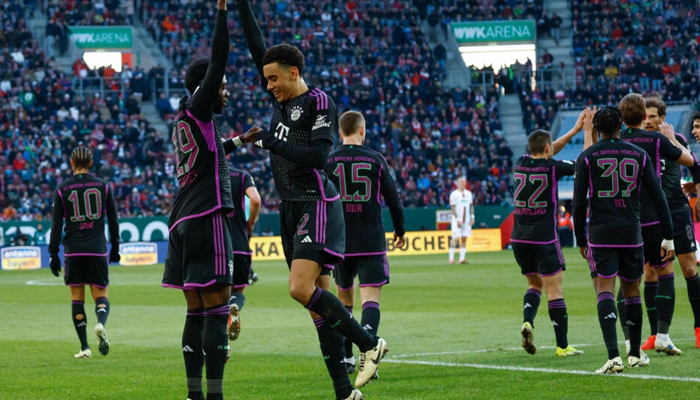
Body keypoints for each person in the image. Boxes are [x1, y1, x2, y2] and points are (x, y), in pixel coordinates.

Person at [236, 1, 388, 398]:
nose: (268, 85)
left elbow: (320, 158)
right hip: (289, 205)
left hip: (315, 201)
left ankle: (370, 344)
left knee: (299, 289)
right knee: (316, 308)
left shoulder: (318, 103)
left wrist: (270, 140)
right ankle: (345, 392)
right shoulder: (281, 100)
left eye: (273, 79)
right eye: (266, 79)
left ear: (294, 72)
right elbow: (257, 45)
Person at [160, 2, 258, 399]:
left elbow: (209, 154)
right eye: (222, 84)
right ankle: (215, 395)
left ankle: (194, 395)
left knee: (195, 311)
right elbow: (219, 57)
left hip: (181, 221)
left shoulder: (186, 120)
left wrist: (239, 141)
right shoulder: (201, 106)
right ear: (206, 87)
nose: (227, 89)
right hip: (208, 216)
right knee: (218, 310)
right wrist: (221, 10)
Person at [573, 106, 675, 374]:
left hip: (601, 232)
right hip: (632, 231)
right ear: (621, 126)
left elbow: (578, 202)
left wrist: (580, 238)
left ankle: (613, 356)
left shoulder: (587, 157)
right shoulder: (639, 154)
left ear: (596, 128)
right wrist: (669, 236)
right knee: (632, 291)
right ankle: (635, 354)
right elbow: (658, 196)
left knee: (605, 290)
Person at [325, 110, 406, 374]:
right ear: (362, 130)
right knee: (370, 299)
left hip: (339, 242)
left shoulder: (328, 160)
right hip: (370, 239)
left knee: (343, 300)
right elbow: (393, 200)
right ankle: (367, 352)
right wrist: (400, 230)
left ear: (340, 133)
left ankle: (347, 358)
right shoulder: (376, 159)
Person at [619, 93, 694, 356]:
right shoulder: (657, 140)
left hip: (625, 220)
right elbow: (690, 162)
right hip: (653, 218)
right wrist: (672, 140)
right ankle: (662, 334)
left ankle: (630, 341)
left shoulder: (615, 142)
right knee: (664, 272)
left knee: (626, 279)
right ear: (643, 117)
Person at [511, 111, 586, 358]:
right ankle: (562, 346)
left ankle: (528, 322)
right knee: (556, 290)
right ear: (547, 148)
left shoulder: (519, 163)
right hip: (544, 238)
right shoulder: (553, 168)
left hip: (519, 239)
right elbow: (582, 164)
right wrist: (585, 134)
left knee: (534, 284)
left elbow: (548, 149)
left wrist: (572, 131)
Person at [48, 147, 121, 359]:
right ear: (90, 163)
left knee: (76, 299)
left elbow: (56, 225)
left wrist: (53, 254)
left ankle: (84, 347)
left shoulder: (62, 189)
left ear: (72, 163)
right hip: (97, 249)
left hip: (73, 251)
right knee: (100, 295)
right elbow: (114, 221)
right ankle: (100, 323)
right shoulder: (104, 186)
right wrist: (115, 248)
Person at [643, 105, 700, 350]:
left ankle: (699, 328)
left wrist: (697, 191)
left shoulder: (676, 139)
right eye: (645, 116)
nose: (648, 120)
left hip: (676, 210)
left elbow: (694, 165)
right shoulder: (639, 142)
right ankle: (656, 334)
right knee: (650, 273)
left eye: (653, 116)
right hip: (652, 214)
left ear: (662, 118)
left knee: (688, 269)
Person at [226, 166, 261, 345]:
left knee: (213, 301)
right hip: (239, 244)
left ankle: (221, 346)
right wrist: (251, 223)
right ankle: (235, 305)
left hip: (214, 246)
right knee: (238, 291)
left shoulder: (203, 175)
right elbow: (255, 200)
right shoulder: (241, 175)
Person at [448, 177, 473, 265]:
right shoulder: (454, 194)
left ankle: (462, 259)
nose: (464, 183)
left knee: (464, 239)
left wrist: (472, 217)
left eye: (465, 182)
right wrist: (457, 219)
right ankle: (451, 259)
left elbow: (471, 206)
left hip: (466, 220)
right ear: (458, 183)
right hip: (456, 221)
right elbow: (453, 208)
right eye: (462, 182)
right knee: (454, 239)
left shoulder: (469, 194)